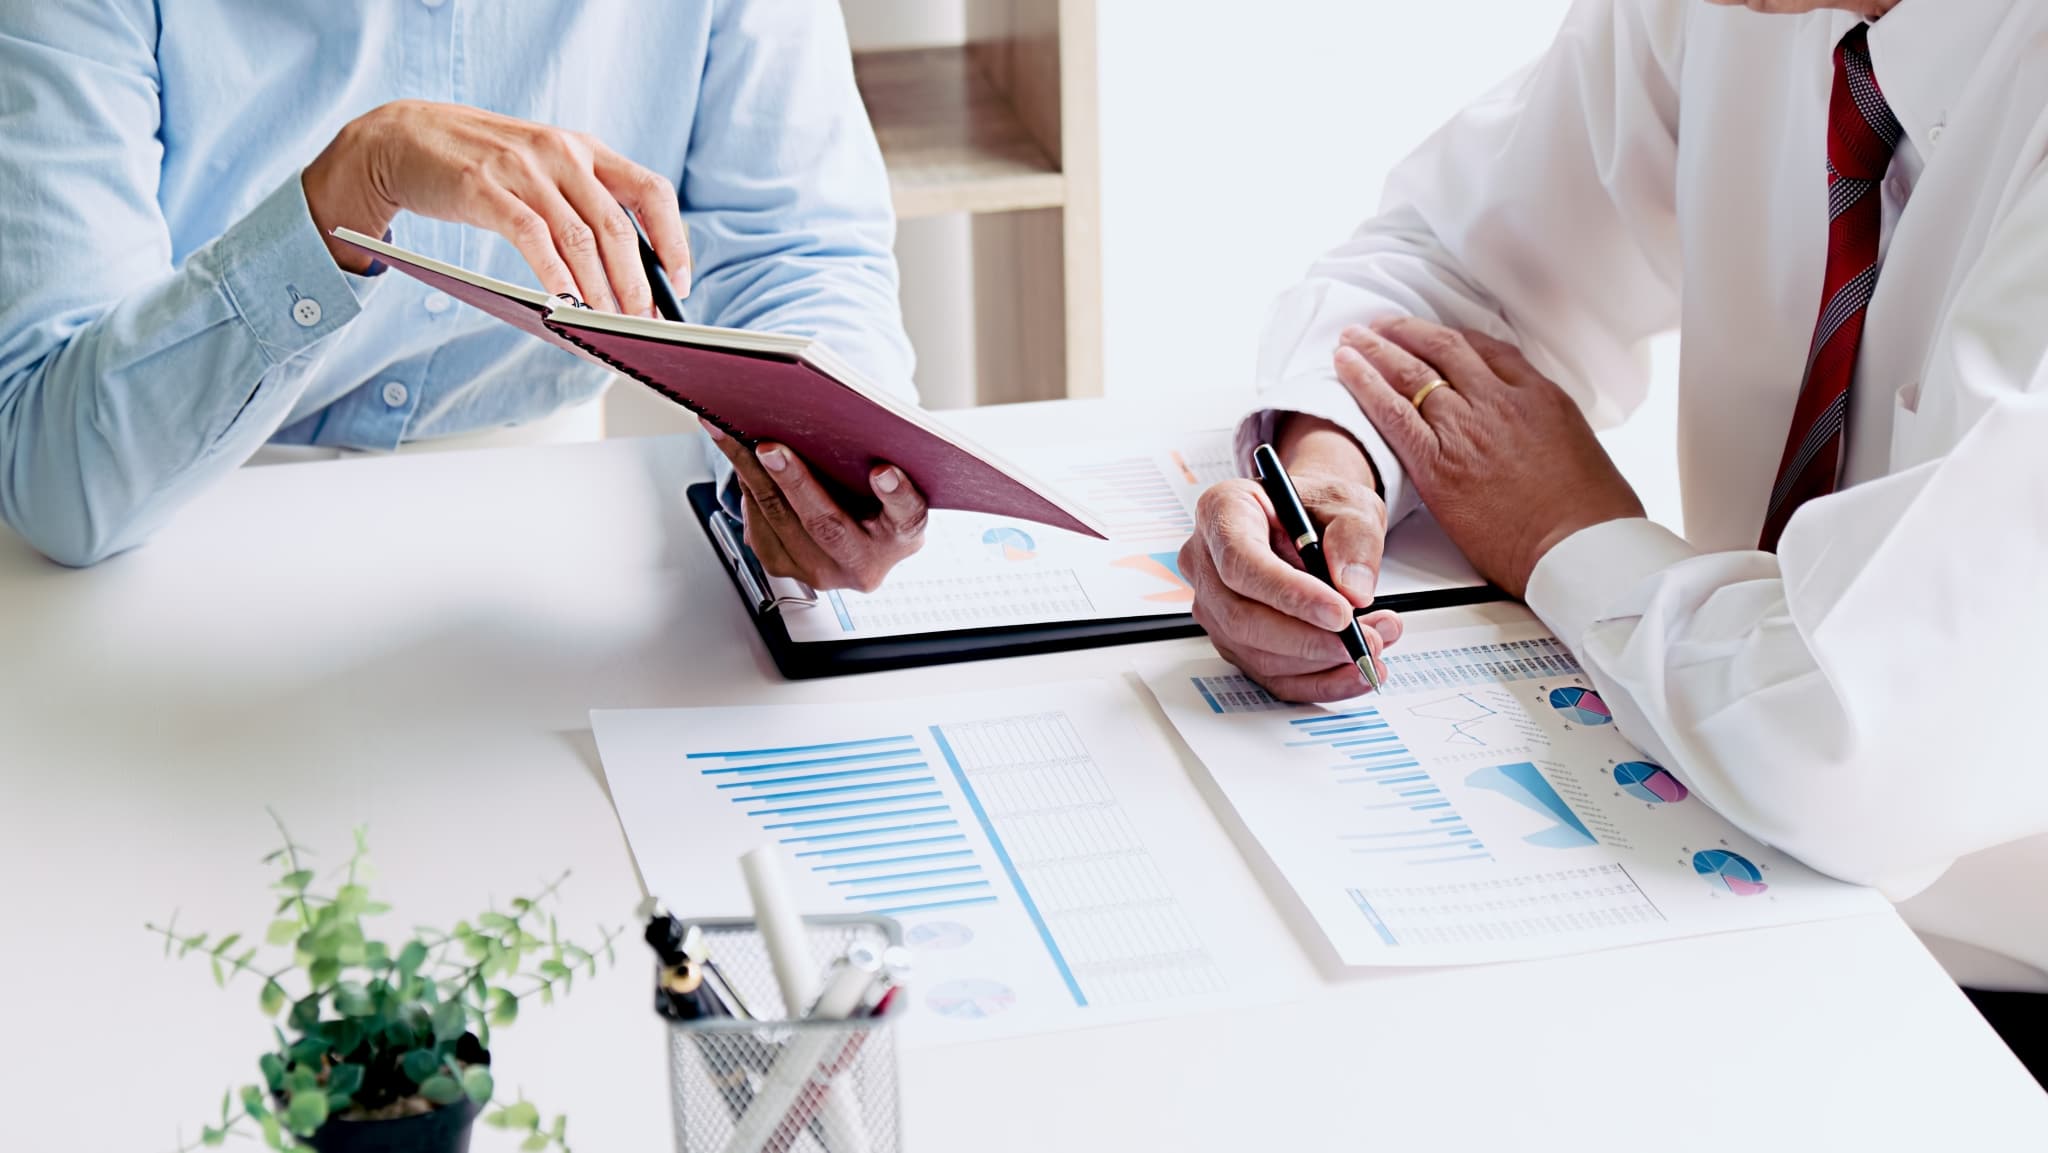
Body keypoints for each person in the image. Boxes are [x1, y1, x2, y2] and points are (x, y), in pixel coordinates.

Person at [1184, 0, 2048, 1078]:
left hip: (1993, 996)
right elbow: (1449, 269)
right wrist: (1335, 462)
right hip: (1724, 864)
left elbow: (1864, 743)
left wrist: (1560, 527)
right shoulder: (1741, 8)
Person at [0, 1, 929, 592]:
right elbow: (59, 481)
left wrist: (834, 463)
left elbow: (798, 248)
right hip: (170, 529)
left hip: (549, 532)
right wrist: (346, 194)